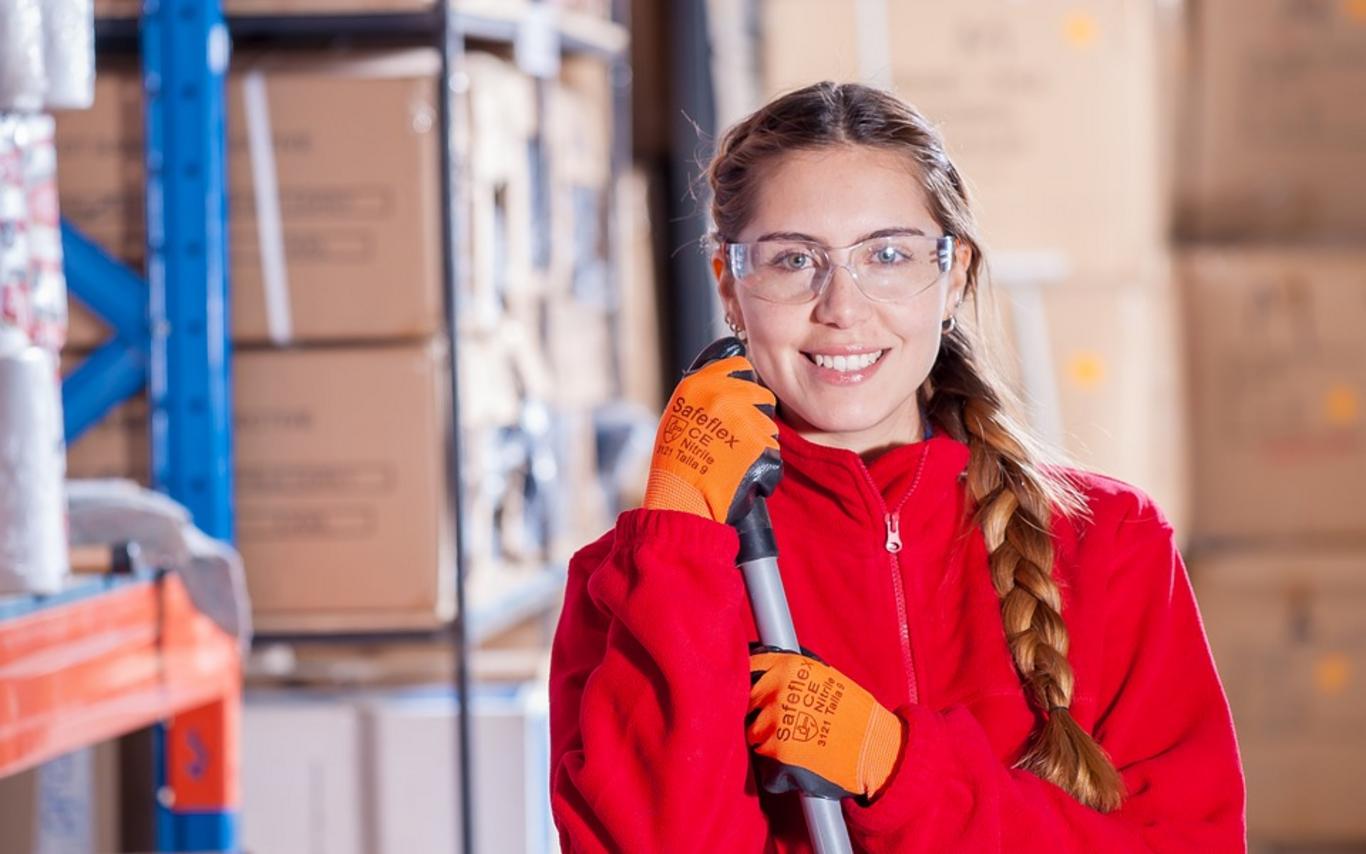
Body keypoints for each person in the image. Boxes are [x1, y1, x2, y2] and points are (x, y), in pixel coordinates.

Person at [548, 81, 1246, 852]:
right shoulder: (640, 577)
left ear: (953, 275)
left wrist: (899, 769)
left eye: (887, 255)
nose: (843, 307)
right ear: (731, 289)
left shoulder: (1110, 541)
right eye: (791, 260)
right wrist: (679, 535)